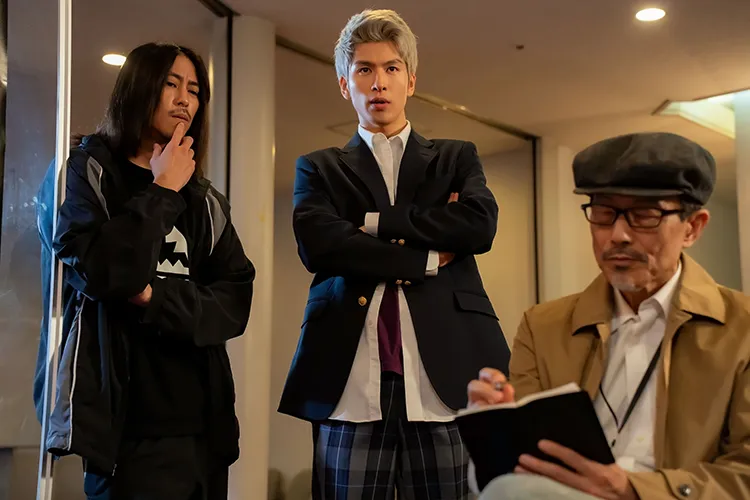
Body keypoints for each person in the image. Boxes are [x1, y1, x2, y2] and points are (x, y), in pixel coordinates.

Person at [278, 9, 510, 500]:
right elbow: (319, 245)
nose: (378, 82)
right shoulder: (318, 168)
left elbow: (478, 224)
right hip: (349, 382)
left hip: (444, 377)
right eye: (364, 69)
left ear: (411, 81)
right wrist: (426, 258)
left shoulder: (455, 157)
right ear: (345, 85)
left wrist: (372, 225)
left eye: (391, 68)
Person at [467, 132, 750, 499]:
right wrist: (497, 429)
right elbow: (515, 472)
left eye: (644, 216)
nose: (618, 235)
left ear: (692, 228)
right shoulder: (544, 326)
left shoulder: (742, 328)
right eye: (603, 214)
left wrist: (634, 489)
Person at [34, 42, 255, 500]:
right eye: (171, 84)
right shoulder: (87, 171)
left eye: (194, 90)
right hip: (127, 433)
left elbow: (234, 302)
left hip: (203, 430)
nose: (184, 100)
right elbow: (103, 273)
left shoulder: (204, 199)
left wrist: (155, 298)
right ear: (139, 87)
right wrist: (163, 189)